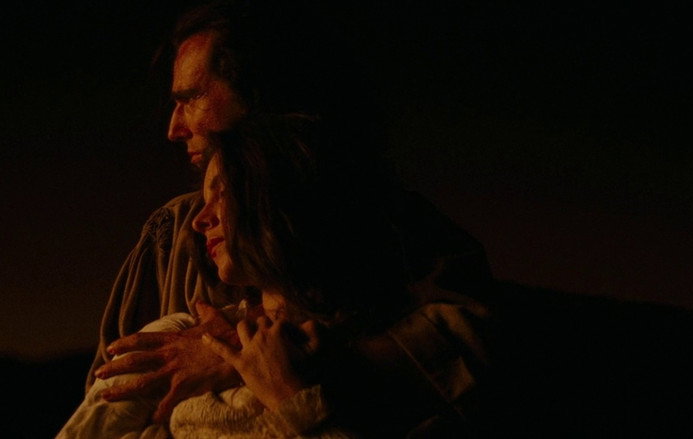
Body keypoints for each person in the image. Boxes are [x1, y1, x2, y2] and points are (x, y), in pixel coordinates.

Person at [80, 0, 496, 434]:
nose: (174, 129)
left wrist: (255, 357)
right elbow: (112, 396)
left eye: (191, 99)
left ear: (263, 95)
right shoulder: (172, 236)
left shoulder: (392, 226)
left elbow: (470, 342)